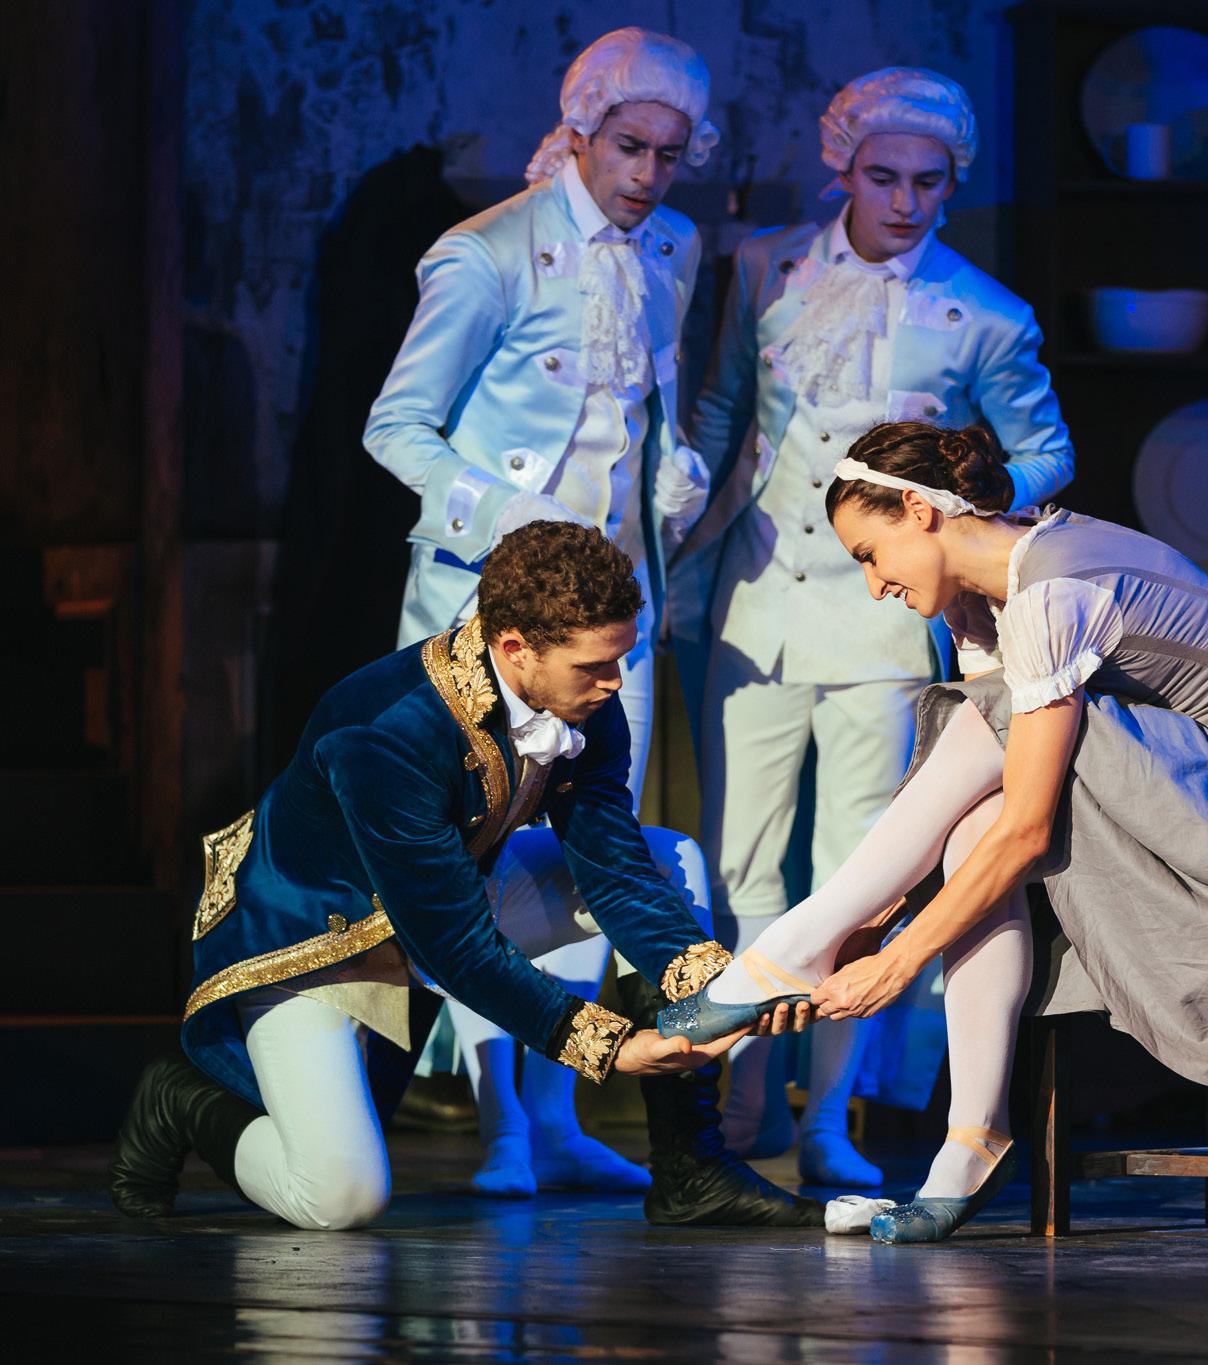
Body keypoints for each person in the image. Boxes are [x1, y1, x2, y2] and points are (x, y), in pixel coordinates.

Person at [661, 422, 1208, 1242]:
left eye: (870, 554)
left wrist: (900, 957)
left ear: (920, 511)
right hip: (1178, 780)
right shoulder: (994, 591)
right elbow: (990, 800)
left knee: (989, 729)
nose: (873, 584)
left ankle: (793, 943)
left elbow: (1030, 829)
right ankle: (974, 1134)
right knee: (973, 821)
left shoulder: (1048, 591)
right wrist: (880, 920)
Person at [109, 522, 821, 1232]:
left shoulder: (583, 696)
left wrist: (719, 997)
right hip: (311, 940)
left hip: (445, 902)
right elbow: (454, 944)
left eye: (621, 658)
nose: (615, 681)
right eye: (594, 666)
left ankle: (690, 1168)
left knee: (668, 855)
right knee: (340, 1197)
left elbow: (613, 865)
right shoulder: (384, 728)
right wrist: (610, 1046)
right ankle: (179, 1099)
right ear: (515, 647)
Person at [670, 68, 1075, 1186]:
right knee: (741, 857)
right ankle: (747, 1099)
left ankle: (830, 1119)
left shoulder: (985, 312)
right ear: (842, 167)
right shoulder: (766, 267)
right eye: (883, 175)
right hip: (760, 596)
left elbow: (1048, 450)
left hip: (888, 614)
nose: (904, 200)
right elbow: (724, 405)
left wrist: (967, 498)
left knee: (862, 866)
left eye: (928, 181)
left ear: (953, 182)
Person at [363, 27, 717, 1196]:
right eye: (629, 147)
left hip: (612, 613)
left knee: (592, 851)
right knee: (477, 854)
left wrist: (675, 472)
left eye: (670, 153)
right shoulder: (486, 253)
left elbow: (652, 404)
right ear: (577, 131)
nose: (649, 174)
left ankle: (559, 1117)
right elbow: (395, 428)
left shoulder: (673, 246)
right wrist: (506, 514)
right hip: (490, 605)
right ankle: (501, 1125)